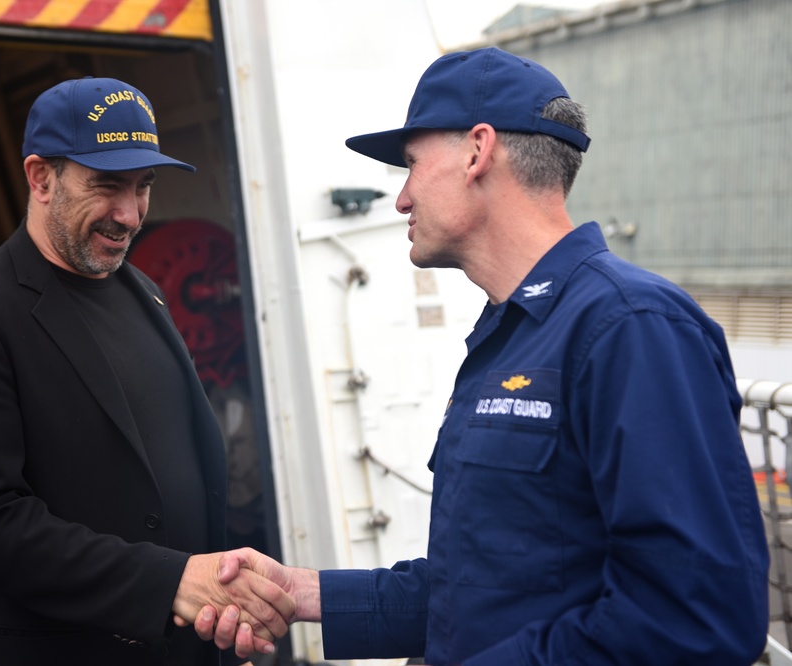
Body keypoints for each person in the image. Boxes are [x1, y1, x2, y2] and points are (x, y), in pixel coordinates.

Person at [197, 47, 771, 665]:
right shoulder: (512, 332)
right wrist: (304, 592)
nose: (402, 199)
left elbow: (692, 618)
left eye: (411, 166)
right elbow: (483, 588)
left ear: (477, 150)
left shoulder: (631, 329)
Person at [0, 77, 292, 666]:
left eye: (143, 187)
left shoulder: (143, 290)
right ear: (41, 178)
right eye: (107, 186)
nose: (131, 214)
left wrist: (215, 594)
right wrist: (169, 582)